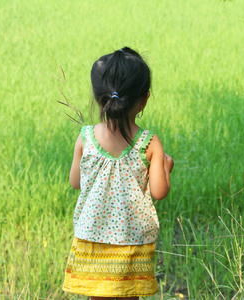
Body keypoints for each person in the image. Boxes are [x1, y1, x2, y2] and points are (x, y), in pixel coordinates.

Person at [62, 47, 174, 300]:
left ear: (96, 94)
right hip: (132, 243)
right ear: (144, 98)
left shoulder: (85, 137)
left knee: (96, 296)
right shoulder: (149, 142)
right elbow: (159, 191)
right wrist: (166, 167)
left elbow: (75, 182)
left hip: (92, 239)